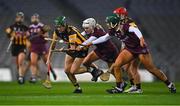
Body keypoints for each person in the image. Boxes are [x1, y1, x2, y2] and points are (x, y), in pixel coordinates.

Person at [88, 13, 176, 94]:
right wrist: (92, 42)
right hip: (129, 49)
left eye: (108, 23)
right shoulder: (113, 30)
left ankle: (169, 84)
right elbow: (104, 38)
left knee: (151, 69)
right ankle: (120, 87)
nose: (107, 24)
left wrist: (141, 38)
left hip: (140, 49)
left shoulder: (125, 26)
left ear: (114, 23)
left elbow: (135, 30)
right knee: (117, 65)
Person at [47, 16, 102, 93]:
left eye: (60, 27)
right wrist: (48, 58)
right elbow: (53, 45)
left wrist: (62, 50)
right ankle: (78, 88)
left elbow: (73, 49)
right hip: (72, 47)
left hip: (82, 48)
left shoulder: (71, 32)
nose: (58, 29)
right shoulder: (57, 31)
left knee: (73, 71)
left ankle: (92, 70)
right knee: (67, 71)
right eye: (57, 27)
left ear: (64, 25)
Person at [76, 18, 124, 89]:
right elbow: (80, 35)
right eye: (84, 28)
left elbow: (88, 41)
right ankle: (97, 71)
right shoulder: (90, 29)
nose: (85, 30)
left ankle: (121, 84)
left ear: (92, 27)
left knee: (114, 71)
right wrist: (72, 38)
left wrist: (80, 46)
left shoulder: (96, 33)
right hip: (100, 49)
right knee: (86, 62)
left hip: (109, 51)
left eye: (87, 28)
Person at [113, 7, 142, 93]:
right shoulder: (121, 22)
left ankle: (138, 88)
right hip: (128, 47)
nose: (116, 16)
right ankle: (134, 86)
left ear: (122, 15)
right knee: (126, 68)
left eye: (117, 14)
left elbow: (134, 33)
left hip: (135, 48)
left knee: (133, 68)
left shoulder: (129, 22)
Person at [27, 13, 56, 84]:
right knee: (33, 62)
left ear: (38, 19)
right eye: (33, 18)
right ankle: (33, 77)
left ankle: (52, 72)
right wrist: (37, 35)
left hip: (42, 46)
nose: (34, 19)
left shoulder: (42, 26)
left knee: (47, 62)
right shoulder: (30, 27)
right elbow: (28, 38)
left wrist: (43, 35)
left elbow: (46, 38)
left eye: (36, 18)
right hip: (34, 47)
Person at [5, 12, 28, 84]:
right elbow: (7, 32)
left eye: (21, 17)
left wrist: (26, 35)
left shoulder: (25, 28)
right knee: (18, 64)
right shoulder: (12, 27)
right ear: (16, 18)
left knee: (21, 62)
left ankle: (21, 77)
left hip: (22, 46)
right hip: (15, 46)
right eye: (19, 17)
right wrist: (10, 36)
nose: (20, 18)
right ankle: (21, 75)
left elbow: (29, 35)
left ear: (23, 19)